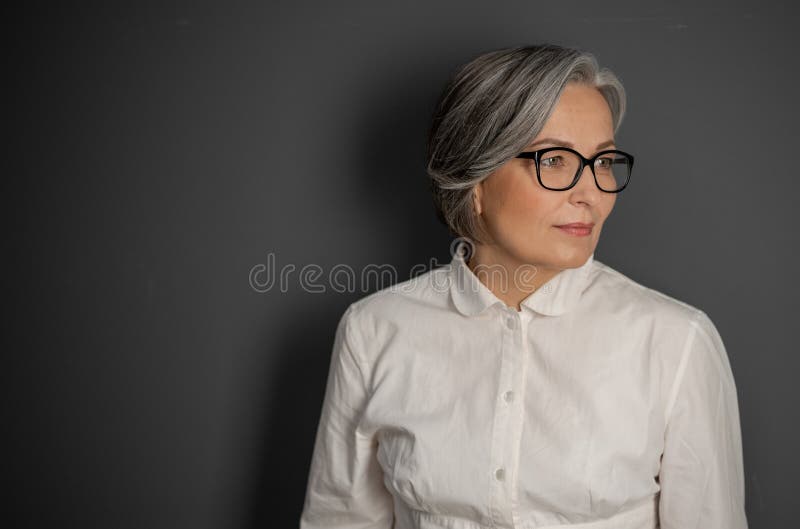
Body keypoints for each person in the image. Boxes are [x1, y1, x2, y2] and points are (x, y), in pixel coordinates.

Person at [298, 43, 748, 529]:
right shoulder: (373, 332)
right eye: (555, 160)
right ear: (475, 178)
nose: (590, 193)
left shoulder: (676, 343)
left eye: (602, 162)